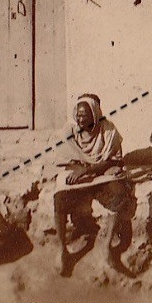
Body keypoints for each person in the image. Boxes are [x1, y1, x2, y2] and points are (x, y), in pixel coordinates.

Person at [54, 94, 133, 275]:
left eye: (85, 115)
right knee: (59, 198)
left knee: (119, 194)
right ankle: (62, 251)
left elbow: (112, 160)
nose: (80, 119)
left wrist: (88, 170)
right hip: (80, 176)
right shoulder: (70, 131)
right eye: (78, 115)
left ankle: (106, 248)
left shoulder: (108, 130)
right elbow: (65, 158)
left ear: (95, 115)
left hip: (100, 175)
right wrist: (78, 170)